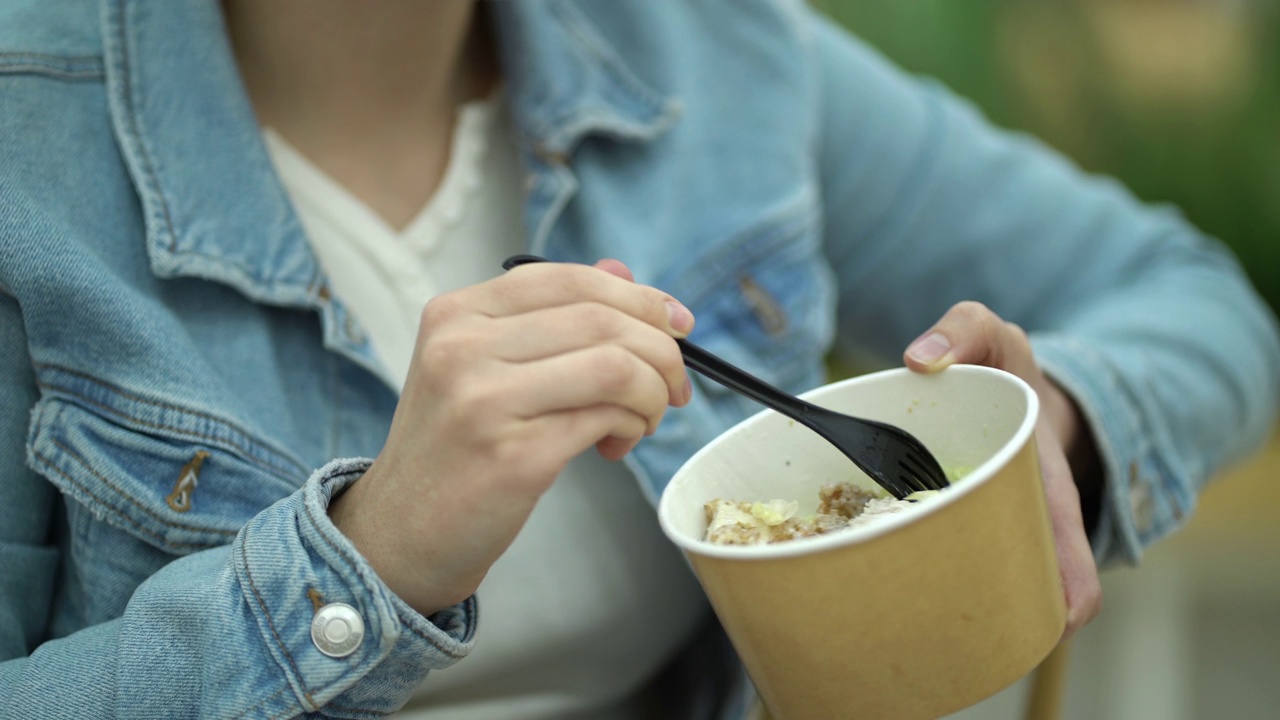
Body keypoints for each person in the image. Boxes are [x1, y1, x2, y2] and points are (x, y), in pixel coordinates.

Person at [1, 0, 1276, 718]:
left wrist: (1052, 424)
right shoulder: (30, 137)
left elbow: (1199, 304)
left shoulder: (709, 51)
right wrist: (365, 562)